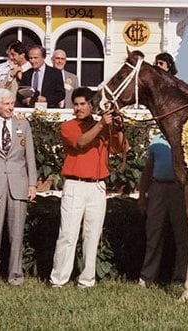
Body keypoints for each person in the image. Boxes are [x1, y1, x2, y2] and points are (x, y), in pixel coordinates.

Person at [49, 87, 127, 289]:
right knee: (68, 234)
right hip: (75, 185)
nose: (78, 108)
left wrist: (118, 128)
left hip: (97, 186)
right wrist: (102, 124)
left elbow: (119, 149)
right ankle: (58, 280)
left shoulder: (101, 126)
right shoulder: (69, 126)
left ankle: (87, 280)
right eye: (76, 104)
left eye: (83, 104)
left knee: (92, 235)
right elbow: (81, 142)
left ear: (91, 105)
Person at [0, 88, 37, 286]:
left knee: (17, 233)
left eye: (12, 103)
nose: (11, 107)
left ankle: (15, 275)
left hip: (18, 184)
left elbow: (30, 157)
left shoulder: (23, 124)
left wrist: (32, 183)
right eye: (6, 103)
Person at [137, 132, 188, 287]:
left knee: (182, 235)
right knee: (153, 233)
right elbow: (148, 169)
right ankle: (147, 278)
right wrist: (142, 195)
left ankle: (180, 278)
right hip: (157, 188)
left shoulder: (185, 137)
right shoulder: (156, 140)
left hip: (178, 189)